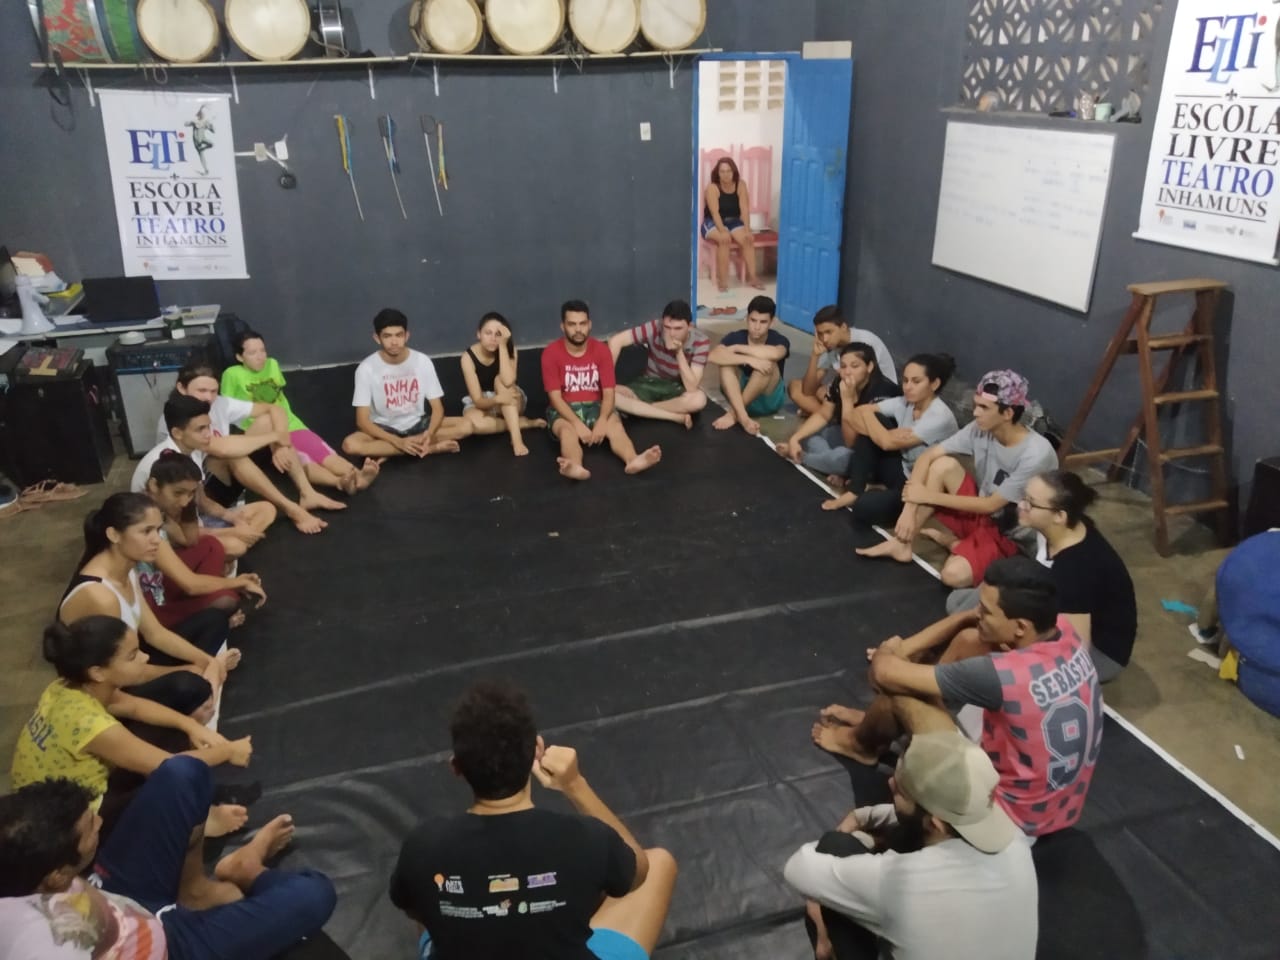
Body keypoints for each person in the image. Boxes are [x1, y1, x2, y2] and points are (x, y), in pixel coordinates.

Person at [815, 556, 1103, 840]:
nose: (977, 613)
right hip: (1055, 810)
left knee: (900, 691)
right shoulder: (1064, 631)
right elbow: (974, 637)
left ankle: (861, 745)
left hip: (1000, 819)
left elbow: (882, 673)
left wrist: (892, 648)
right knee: (970, 641)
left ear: (1020, 627)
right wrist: (966, 618)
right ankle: (879, 722)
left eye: (986, 611)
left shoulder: (999, 675)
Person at [389, 680, 678, 960]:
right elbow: (638, 872)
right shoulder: (584, 839)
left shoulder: (423, 845)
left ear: (456, 767)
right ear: (536, 751)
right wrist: (575, 784)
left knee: (426, 887)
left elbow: (413, 907)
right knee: (659, 863)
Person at [0, 764, 336, 959]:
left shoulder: (26, 872)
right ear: (57, 876)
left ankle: (194, 892)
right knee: (313, 895)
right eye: (90, 827)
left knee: (182, 774)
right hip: (173, 949)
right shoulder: (42, 947)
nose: (100, 822)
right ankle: (247, 869)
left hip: (115, 895)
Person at [784, 730, 1036, 960]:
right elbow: (927, 818)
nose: (890, 783)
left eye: (901, 791)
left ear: (935, 824)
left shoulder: (899, 881)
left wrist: (820, 905)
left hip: (902, 891)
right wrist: (865, 816)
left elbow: (798, 867)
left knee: (835, 844)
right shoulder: (1015, 839)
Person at [10, 616, 253, 839]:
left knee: (173, 732)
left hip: (55, 800)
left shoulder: (65, 687)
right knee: (174, 780)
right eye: (132, 656)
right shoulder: (91, 725)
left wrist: (190, 725)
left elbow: (134, 707)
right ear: (97, 672)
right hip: (71, 825)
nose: (145, 658)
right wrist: (228, 751)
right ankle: (198, 823)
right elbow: (169, 766)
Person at [857, 369, 1058, 589]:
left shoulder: (1035, 454)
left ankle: (955, 543)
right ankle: (902, 543)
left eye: (984, 408)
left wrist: (926, 496)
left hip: (1011, 536)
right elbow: (928, 456)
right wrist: (909, 508)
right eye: (976, 405)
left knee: (952, 576)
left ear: (1008, 413)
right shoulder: (979, 429)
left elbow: (991, 505)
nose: (975, 413)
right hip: (983, 517)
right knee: (942, 466)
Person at [947, 471, 1138, 684]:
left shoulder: (1075, 570)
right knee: (958, 604)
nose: (1021, 505)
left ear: (1059, 516)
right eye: (1024, 497)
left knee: (981, 636)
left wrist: (1012, 644)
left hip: (1100, 655)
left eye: (1031, 503)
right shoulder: (1060, 527)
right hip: (1053, 609)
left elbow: (1075, 650)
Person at [60, 492, 236, 720]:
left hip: (132, 659)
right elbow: (120, 674)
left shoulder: (126, 569)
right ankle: (199, 690)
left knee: (214, 620)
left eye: (158, 530)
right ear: (114, 535)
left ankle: (204, 680)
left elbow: (155, 633)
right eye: (146, 531)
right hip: (110, 690)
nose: (156, 540)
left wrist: (206, 661)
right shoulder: (100, 596)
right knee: (189, 685)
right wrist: (188, 670)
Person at [160, 363, 338, 535]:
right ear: (181, 388)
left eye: (213, 391)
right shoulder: (176, 418)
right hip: (197, 494)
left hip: (220, 476)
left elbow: (275, 409)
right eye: (201, 391)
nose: (208, 397)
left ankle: (307, 492)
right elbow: (219, 448)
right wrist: (276, 437)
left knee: (268, 422)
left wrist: (281, 446)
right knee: (234, 455)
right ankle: (291, 509)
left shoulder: (219, 403)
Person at [221, 330, 382, 493]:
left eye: (262, 350)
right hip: (262, 430)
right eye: (252, 353)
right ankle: (338, 482)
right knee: (302, 459)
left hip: (289, 423)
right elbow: (226, 409)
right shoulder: (232, 374)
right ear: (240, 357)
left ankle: (359, 476)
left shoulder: (272, 364)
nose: (260, 357)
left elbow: (278, 395)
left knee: (322, 452)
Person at [134, 395, 278, 558]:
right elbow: (183, 534)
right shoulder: (163, 466)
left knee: (267, 509)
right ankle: (222, 553)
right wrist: (233, 532)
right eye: (200, 429)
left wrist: (234, 518)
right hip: (175, 539)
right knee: (236, 546)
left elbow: (202, 501)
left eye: (208, 427)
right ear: (177, 433)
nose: (208, 434)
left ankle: (225, 551)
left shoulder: (193, 451)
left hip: (197, 523)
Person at [822, 354, 959, 524]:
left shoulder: (939, 417)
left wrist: (881, 430)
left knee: (863, 508)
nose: (908, 387)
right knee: (875, 422)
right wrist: (886, 432)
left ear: (934, 384)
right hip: (901, 468)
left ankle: (875, 488)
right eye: (905, 381)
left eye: (916, 382)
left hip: (919, 485)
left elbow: (887, 443)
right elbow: (855, 415)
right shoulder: (903, 402)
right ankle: (855, 490)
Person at [142, 452, 267, 631]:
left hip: (162, 581)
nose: (184, 501)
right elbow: (190, 584)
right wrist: (237, 583)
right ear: (154, 485)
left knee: (211, 544)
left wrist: (188, 505)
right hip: (151, 605)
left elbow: (191, 540)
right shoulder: (145, 524)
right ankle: (204, 611)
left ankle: (207, 598)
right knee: (227, 599)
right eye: (178, 493)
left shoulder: (160, 510)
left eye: (190, 494)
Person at [541, 300, 662, 481]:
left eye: (582, 323)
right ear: (562, 326)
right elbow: (555, 398)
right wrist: (576, 423)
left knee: (616, 427)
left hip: (596, 405)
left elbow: (609, 392)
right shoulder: (550, 353)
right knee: (567, 433)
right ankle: (574, 465)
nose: (578, 329)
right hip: (565, 409)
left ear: (589, 324)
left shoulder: (601, 351)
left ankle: (632, 459)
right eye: (572, 324)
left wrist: (603, 420)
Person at [343, 308, 474, 459]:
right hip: (384, 428)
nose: (394, 342)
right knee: (350, 445)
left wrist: (430, 434)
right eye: (387, 336)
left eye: (399, 335)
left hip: (418, 424)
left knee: (467, 426)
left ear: (407, 335)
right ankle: (430, 449)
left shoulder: (422, 361)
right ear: (377, 338)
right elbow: (362, 421)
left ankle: (395, 451)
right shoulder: (366, 368)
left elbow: (438, 408)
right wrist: (397, 441)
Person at [774, 343, 900, 479]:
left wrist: (847, 400)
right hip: (844, 436)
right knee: (807, 432)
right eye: (843, 366)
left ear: (869, 367)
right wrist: (795, 439)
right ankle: (827, 463)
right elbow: (824, 414)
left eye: (855, 366)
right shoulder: (840, 381)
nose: (847, 372)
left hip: (871, 453)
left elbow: (851, 442)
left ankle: (804, 458)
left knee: (843, 458)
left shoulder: (883, 392)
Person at [606, 300, 709, 428]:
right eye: (667, 327)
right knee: (607, 394)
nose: (671, 334)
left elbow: (691, 387)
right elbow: (616, 341)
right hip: (649, 383)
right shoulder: (655, 327)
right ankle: (669, 415)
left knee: (699, 400)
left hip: (677, 388)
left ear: (690, 327)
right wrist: (608, 383)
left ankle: (643, 409)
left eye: (678, 328)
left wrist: (678, 353)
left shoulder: (701, 342)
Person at [459, 311, 546, 456]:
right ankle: (520, 423)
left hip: (511, 400)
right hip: (485, 402)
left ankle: (517, 440)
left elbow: (508, 381)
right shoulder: (467, 358)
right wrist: (498, 399)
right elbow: (478, 400)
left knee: (500, 381)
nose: (493, 338)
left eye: (498, 334)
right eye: (488, 333)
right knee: (473, 423)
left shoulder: (510, 350)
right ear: (479, 334)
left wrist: (503, 346)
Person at [788, 306, 897, 416]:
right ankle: (830, 417)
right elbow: (808, 391)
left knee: (825, 393)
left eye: (829, 332)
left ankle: (828, 416)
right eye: (820, 334)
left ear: (843, 327)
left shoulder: (865, 342)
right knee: (795, 386)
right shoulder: (830, 346)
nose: (825, 339)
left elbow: (867, 384)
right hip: (848, 392)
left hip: (876, 398)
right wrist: (815, 355)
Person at [708, 294, 791, 435]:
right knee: (725, 364)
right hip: (736, 397)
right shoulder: (735, 336)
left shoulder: (779, 339)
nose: (757, 327)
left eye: (763, 322)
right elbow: (713, 356)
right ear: (747, 318)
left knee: (767, 364)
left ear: (772, 322)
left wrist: (737, 348)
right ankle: (743, 417)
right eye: (753, 320)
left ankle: (733, 414)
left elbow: (776, 353)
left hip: (767, 402)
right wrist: (749, 360)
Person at [701, 156, 765, 292]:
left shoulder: (741, 185)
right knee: (724, 240)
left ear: (734, 171)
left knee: (747, 240)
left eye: (729, 171)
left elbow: (744, 209)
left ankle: (753, 277)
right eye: (722, 171)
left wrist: (747, 230)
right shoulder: (712, 188)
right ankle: (723, 281)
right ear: (718, 173)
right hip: (712, 222)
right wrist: (722, 231)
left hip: (733, 221)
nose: (726, 174)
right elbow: (715, 213)